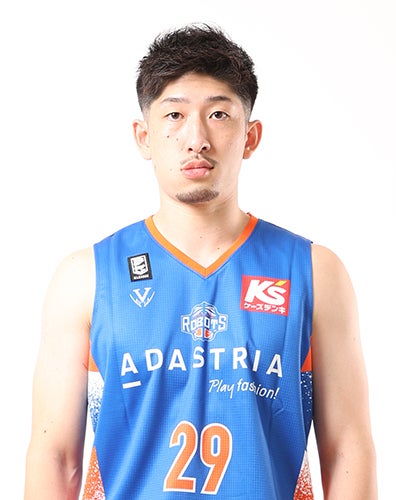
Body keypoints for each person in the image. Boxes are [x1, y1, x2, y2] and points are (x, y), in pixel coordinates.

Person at [24, 23, 377, 499]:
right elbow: (55, 456)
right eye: (174, 114)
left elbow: (348, 448)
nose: (196, 138)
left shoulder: (315, 271)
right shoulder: (86, 277)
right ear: (144, 136)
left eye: (218, 114)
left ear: (250, 136)